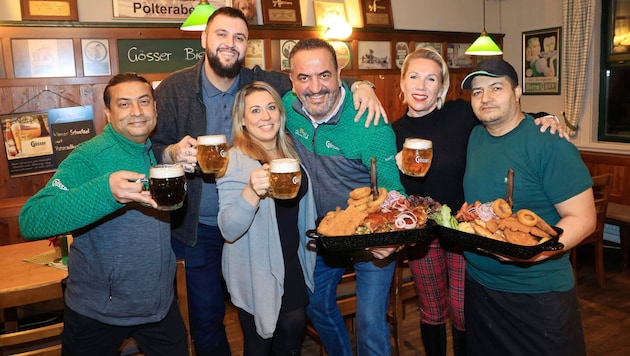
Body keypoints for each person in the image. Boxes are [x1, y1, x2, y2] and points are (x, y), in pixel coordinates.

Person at [151, 7, 385, 355]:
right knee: (208, 318)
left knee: (287, 322)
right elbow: (151, 147)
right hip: (199, 226)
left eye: (239, 37)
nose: (230, 44)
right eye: (221, 35)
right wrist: (171, 153)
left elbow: (315, 82)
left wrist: (361, 85)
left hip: (271, 238)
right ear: (203, 39)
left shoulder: (259, 82)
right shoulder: (175, 89)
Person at [392, 47, 567, 356]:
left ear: (442, 87)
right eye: (414, 77)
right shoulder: (391, 132)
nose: (421, 86)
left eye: (431, 79)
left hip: (464, 231)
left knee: (461, 310)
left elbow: (507, 115)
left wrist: (546, 118)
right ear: (402, 84)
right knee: (432, 310)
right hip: (423, 234)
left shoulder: (461, 113)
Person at [19, 73, 189, 355]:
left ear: (155, 109)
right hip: (98, 312)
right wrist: (106, 192)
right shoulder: (90, 156)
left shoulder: (152, 152)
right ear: (108, 114)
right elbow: (31, 219)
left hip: (159, 307)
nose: (137, 111)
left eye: (144, 101)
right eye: (124, 104)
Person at [460, 58, 595, 355]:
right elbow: (482, 205)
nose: (486, 98)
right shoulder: (476, 137)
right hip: (480, 288)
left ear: (518, 91)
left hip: (537, 293)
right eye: (477, 92)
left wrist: (530, 253)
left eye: (496, 87)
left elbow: (584, 219)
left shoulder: (549, 143)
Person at [282, 38, 406, 356]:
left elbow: (393, 189)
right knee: (316, 305)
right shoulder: (285, 109)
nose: (315, 87)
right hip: (325, 234)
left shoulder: (370, 124)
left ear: (340, 75)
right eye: (304, 78)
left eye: (325, 75)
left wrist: (391, 236)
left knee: (370, 324)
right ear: (292, 81)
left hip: (370, 235)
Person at [216, 81, 317, 355]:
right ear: (243, 121)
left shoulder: (292, 151)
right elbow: (228, 228)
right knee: (259, 344)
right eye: (256, 110)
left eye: (271, 107)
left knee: (292, 333)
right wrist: (250, 192)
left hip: (292, 260)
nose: (266, 116)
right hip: (255, 267)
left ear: (281, 113)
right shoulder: (233, 160)